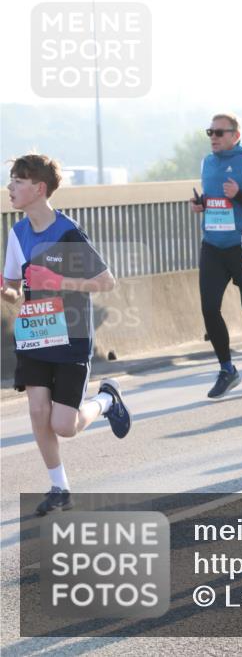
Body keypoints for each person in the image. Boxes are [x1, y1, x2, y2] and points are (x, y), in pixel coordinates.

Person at [2, 154, 133, 515]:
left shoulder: (68, 232)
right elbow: (16, 288)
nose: (10, 188)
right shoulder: (17, 233)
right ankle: (59, 486)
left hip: (71, 334)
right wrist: (7, 292)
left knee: (65, 425)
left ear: (39, 188)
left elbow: (106, 282)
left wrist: (61, 282)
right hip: (34, 333)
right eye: (11, 181)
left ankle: (107, 399)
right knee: (37, 411)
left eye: (17, 181)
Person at [189, 113, 242, 398]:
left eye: (220, 132)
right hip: (212, 245)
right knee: (209, 308)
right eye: (210, 131)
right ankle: (227, 369)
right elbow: (213, 199)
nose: (213, 137)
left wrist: (240, 196)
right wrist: (201, 204)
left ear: (236, 135)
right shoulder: (207, 162)